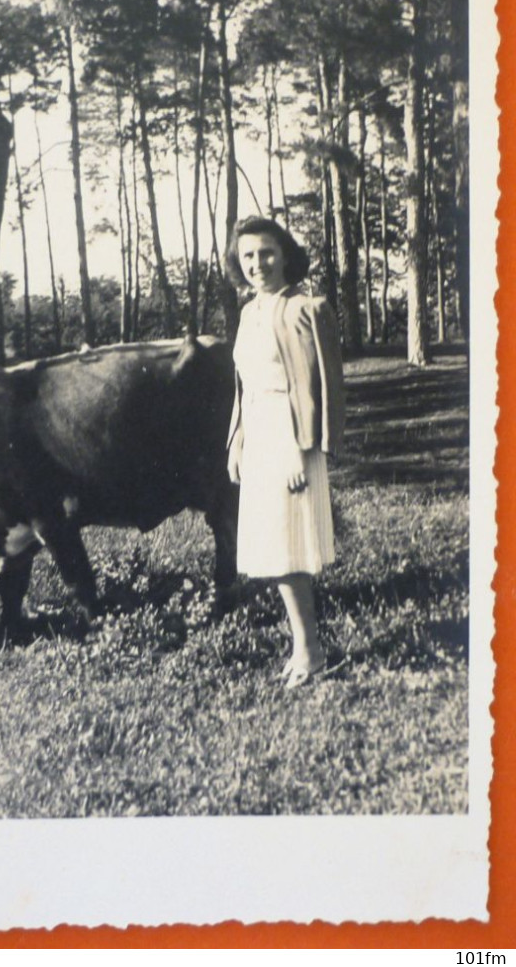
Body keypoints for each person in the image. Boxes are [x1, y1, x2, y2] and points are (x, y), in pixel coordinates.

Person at [226, 216, 345, 689]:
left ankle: (310, 650)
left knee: (288, 550)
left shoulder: (305, 308)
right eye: (248, 255)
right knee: (273, 550)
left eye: (267, 252)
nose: (258, 263)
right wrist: (236, 438)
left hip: (291, 437)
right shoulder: (249, 312)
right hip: (258, 435)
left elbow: (318, 386)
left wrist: (302, 448)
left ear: (285, 253)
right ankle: (305, 644)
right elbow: (244, 383)